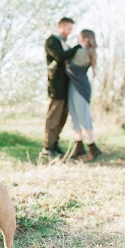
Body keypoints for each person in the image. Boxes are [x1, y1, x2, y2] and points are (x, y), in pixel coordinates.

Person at [43, 17, 82, 157]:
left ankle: (54, 144)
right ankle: (47, 147)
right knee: (53, 117)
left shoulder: (64, 43)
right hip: (56, 86)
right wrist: (77, 48)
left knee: (62, 118)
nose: (69, 32)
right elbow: (59, 56)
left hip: (66, 87)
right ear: (61, 26)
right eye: (68, 28)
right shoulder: (52, 41)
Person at [66, 29, 102, 161]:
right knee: (75, 116)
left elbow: (70, 66)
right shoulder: (82, 51)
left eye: (80, 37)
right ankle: (79, 146)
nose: (77, 39)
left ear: (86, 39)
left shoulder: (82, 52)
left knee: (83, 116)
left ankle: (93, 147)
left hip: (80, 88)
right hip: (73, 87)